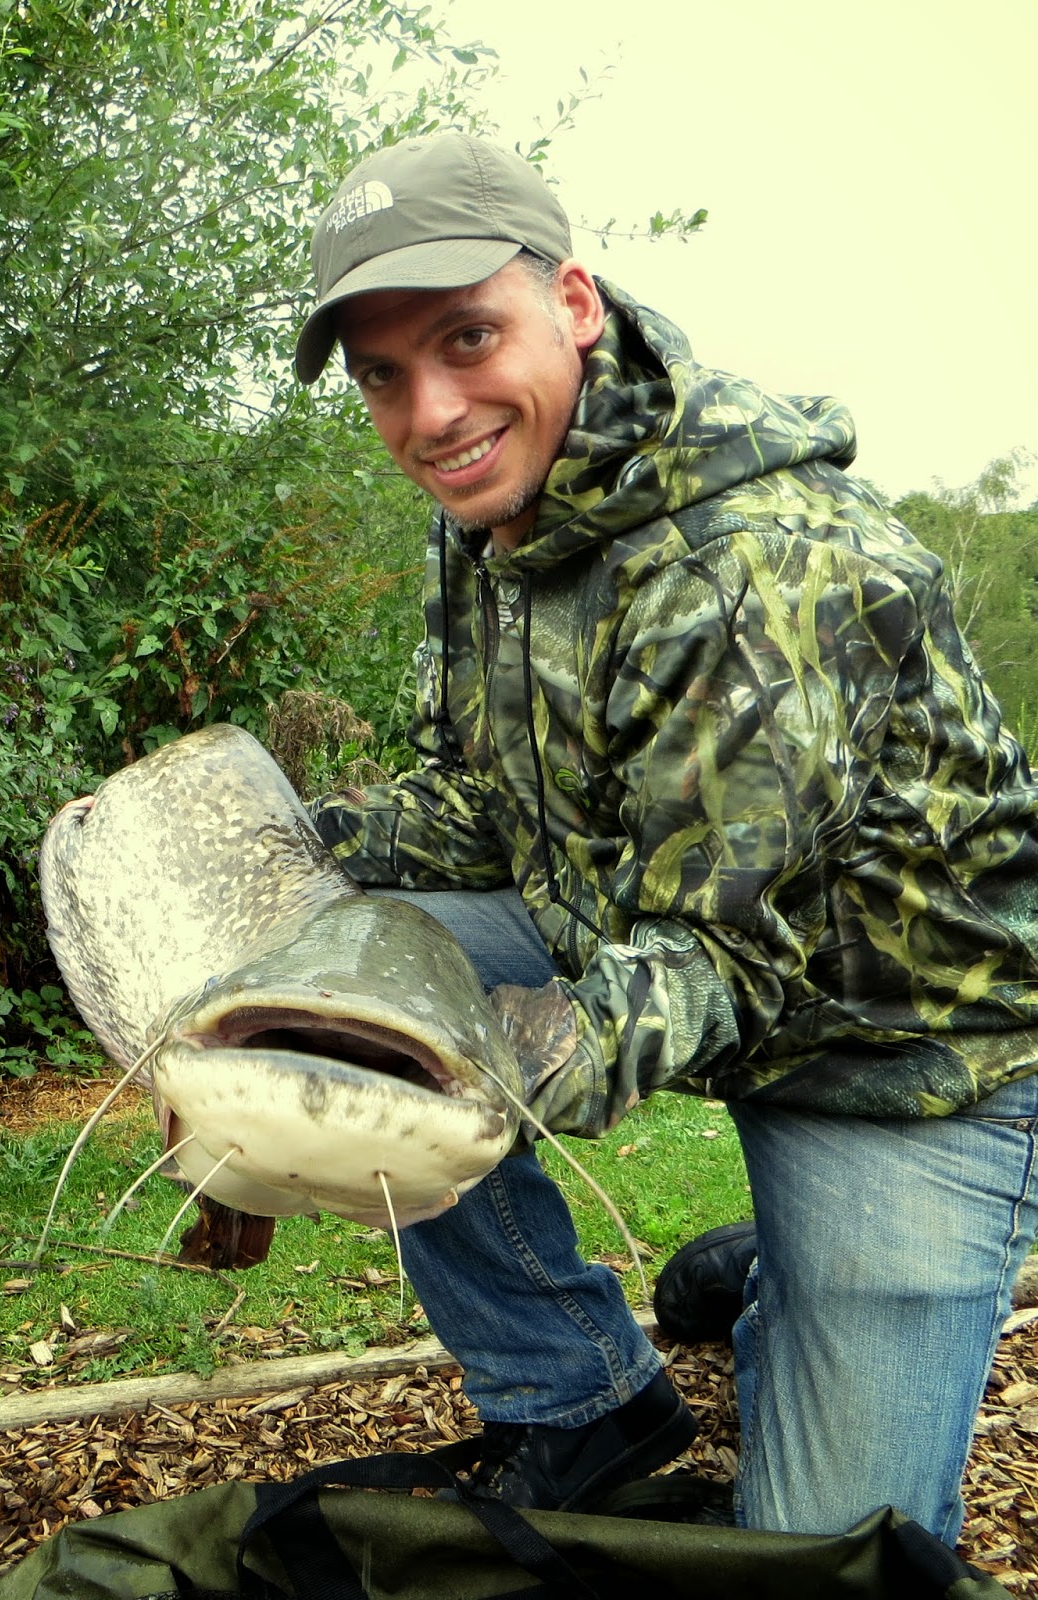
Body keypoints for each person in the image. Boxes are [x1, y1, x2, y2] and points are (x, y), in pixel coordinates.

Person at [293, 131, 1038, 1543]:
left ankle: (796, 1274)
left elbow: (721, 960)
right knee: (336, 976)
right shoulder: (504, 497)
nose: (429, 411)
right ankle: (576, 1400)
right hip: (649, 943)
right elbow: (495, 806)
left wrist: (459, 1075)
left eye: (465, 339)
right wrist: (284, 856)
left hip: (900, 1058)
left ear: (573, 303)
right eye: (383, 375)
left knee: (827, 1566)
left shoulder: (758, 558)